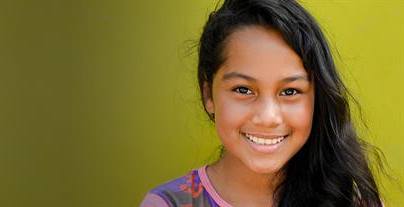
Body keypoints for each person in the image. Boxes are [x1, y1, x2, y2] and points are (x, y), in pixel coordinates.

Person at [140, 0, 385, 206]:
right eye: (243, 89)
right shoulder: (168, 203)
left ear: (317, 98)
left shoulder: (351, 201)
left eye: (290, 91)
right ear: (208, 95)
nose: (268, 117)